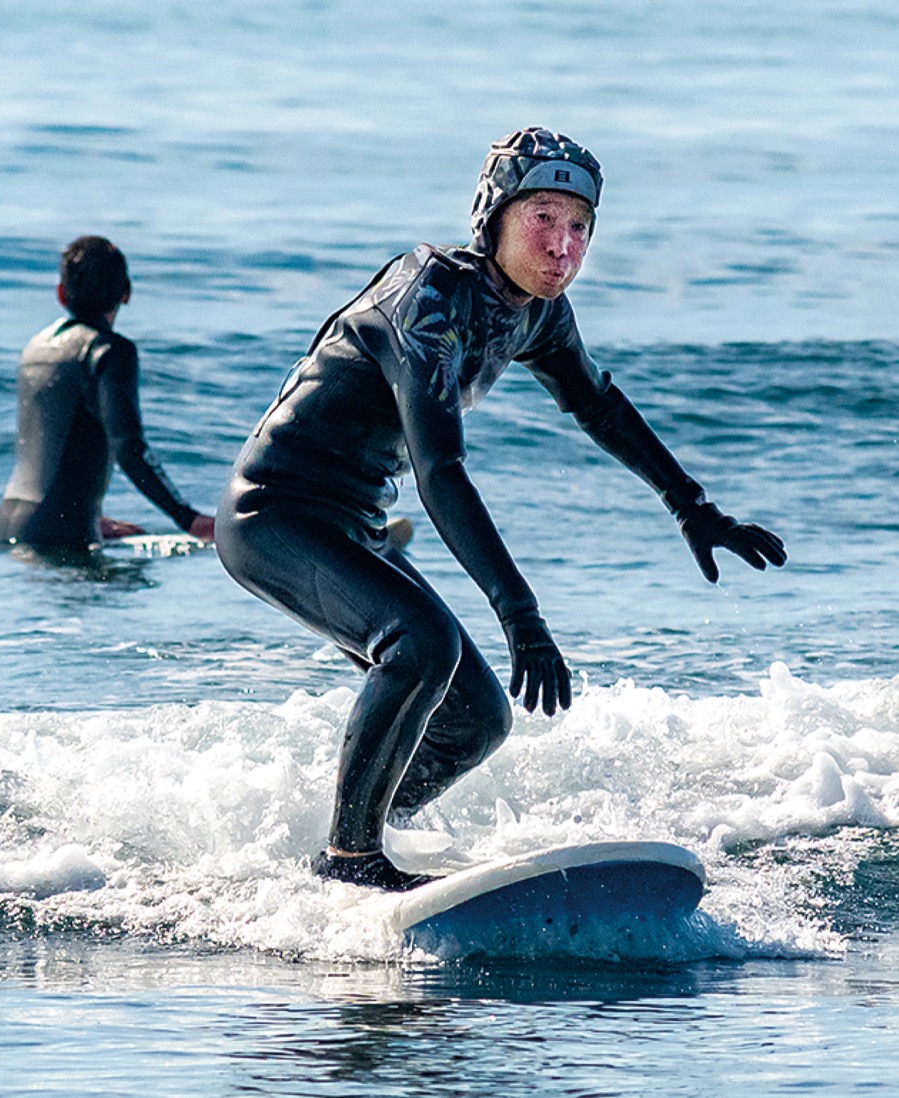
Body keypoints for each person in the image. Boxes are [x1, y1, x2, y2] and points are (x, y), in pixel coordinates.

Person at [215, 128, 787, 892]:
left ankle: (352, 831)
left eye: (579, 226)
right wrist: (520, 613)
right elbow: (440, 471)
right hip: (273, 515)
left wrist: (692, 507)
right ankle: (350, 860)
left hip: (355, 522)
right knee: (419, 646)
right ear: (495, 217)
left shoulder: (537, 313)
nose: (563, 245)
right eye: (543, 217)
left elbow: (598, 404)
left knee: (476, 720)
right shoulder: (426, 297)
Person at [0, 235, 216, 554]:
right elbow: (128, 446)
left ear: (60, 293)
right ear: (126, 292)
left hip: (6, 525)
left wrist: (88, 517)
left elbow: (48, 447)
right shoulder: (108, 351)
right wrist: (189, 518)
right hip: (59, 531)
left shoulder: (36, 347)